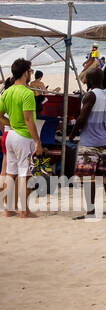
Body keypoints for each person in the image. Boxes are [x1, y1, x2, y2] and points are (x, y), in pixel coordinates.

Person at [72, 67, 106, 219]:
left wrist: (72, 134)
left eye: (87, 79)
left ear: (91, 80)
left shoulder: (90, 95)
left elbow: (82, 118)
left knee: (88, 177)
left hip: (89, 142)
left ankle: (91, 211)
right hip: (105, 140)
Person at [2, 59, 42, 217]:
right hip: (23, 137)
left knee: (10, 173)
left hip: (10, 135)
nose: (30, 73)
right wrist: (37, 141)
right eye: (30, 71)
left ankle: (9, 209)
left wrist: (11, 123)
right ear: (25, 72)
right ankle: (25, 210)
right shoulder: (27, 93)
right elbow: (28, 120)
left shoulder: (7, 91)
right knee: (25, 174)